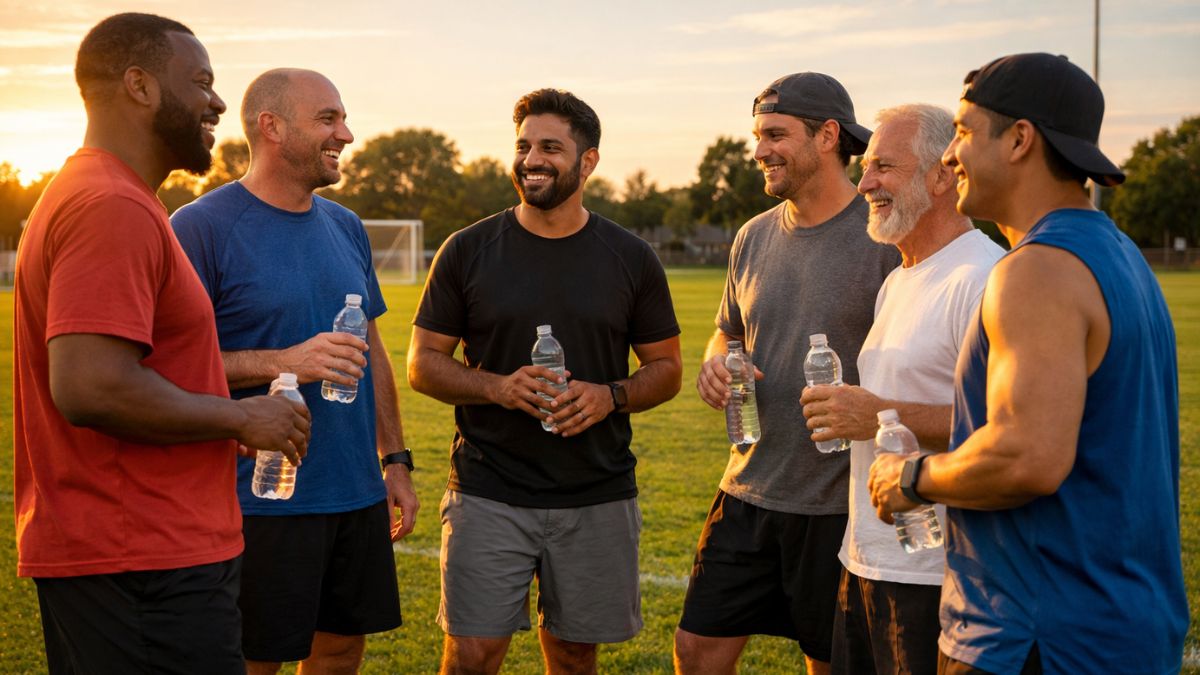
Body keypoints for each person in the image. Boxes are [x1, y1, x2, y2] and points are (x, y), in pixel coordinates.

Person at [869, 53, 1187, 674]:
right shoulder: (1118, 253)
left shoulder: (1036, 269)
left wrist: (911, 478)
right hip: (1121, 624)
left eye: (963, 131)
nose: (951, 156)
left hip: (1035, 635)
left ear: (1019, 139)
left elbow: (1028, 456)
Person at [12, 13, 310, 674]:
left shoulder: (105, 195)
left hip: (135, 549)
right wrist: (242, 415)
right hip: (140, 554)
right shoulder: (108, 205)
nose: (218, 101)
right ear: (139, 86)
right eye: (200, 80)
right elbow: (91, 384)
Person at [408, 88, 682, 675]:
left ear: (587, 162)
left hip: (596, 491)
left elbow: (667, 370)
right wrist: (496, 387)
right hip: (489, 489)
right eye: (524, 145)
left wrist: (610, 396)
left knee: (576, 656)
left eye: (550, 147)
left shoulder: (630, 257)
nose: (532, 158)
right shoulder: (468, 249)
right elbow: (422, 363)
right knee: (471, 655)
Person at [171, 68, 416, 674]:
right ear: (271, 127)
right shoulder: (199, 229)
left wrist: (394, 460)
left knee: (339, 648)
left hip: (354, 490)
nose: (347, 134)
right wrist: (283, 362)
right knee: (258, 658)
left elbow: (374, 353)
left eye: (343, 117)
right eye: (328, 119)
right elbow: (167, 368)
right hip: (258, 500)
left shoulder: (346, 226)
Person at [677, 73, 901, 675]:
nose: (759, 151)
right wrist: (715, 361)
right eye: (758, 135)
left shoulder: (884, 238)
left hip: (836, 504)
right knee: (695, 652)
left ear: (828, 136)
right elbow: (728, 329)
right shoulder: (752, 235)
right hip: (747, 488)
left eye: (776, 134)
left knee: (825, 662)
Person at [798, 104, 1004, 675]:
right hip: (865, 557)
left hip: (935, 571)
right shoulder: (897, 279)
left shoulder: (983, 277)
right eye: (865, 167)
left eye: (883, 167)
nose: (864, 183)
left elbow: (1001, 427)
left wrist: (877, 414)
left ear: (942, 175)